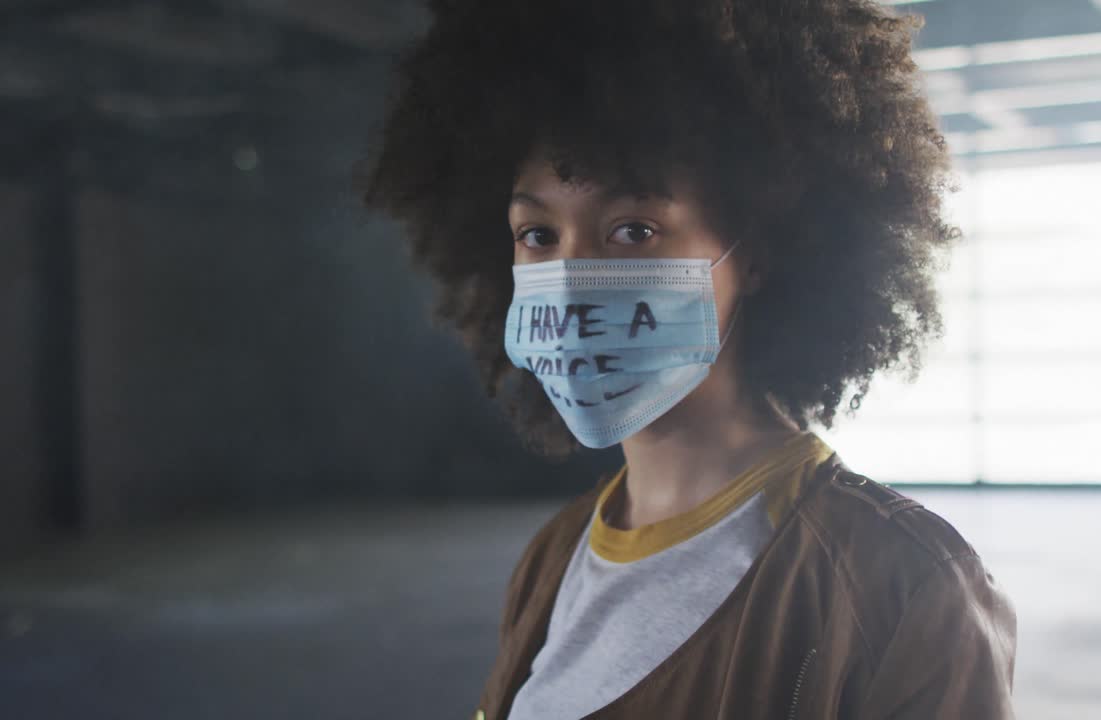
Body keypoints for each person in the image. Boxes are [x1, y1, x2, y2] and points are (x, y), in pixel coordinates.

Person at [363, 1, 1017, 718]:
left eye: (633, 229)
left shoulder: (902, 586)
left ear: (758, 249)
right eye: (538, 234)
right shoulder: (555, 556)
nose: (573, 278)